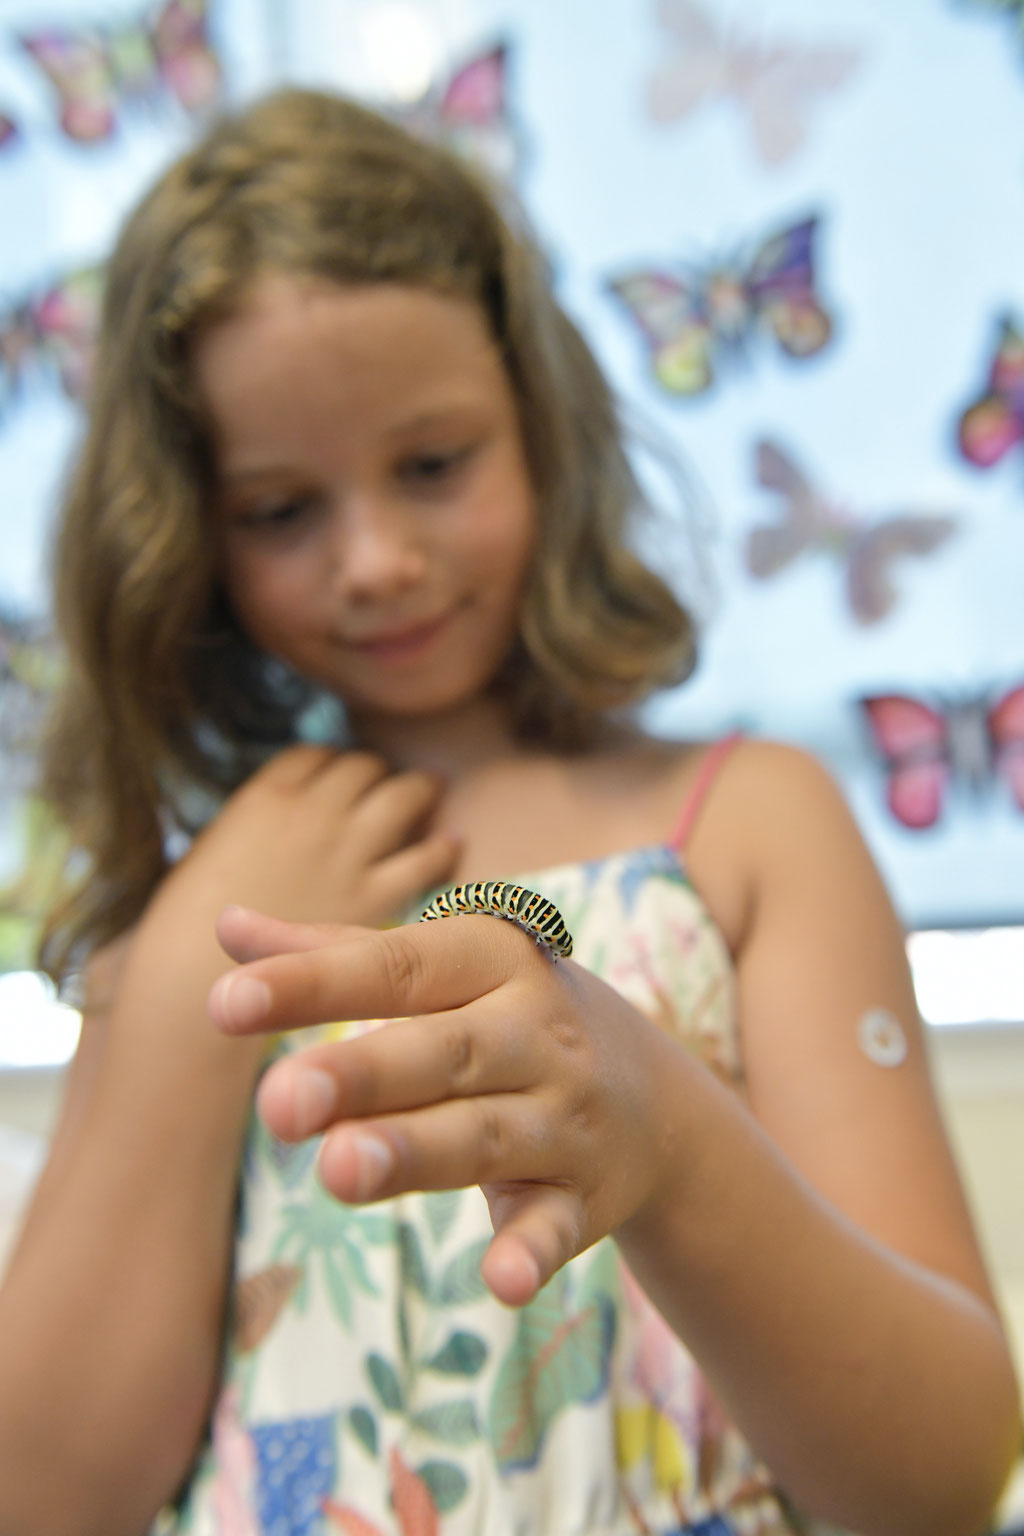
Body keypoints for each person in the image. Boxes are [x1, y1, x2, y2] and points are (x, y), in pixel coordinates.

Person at [0, 86, 1017, 1536]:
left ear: (541, 424)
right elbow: (43, 1499)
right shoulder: (209, 905)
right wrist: (173, 991)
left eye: (432, 465)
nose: (377, 561)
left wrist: (667, 1140)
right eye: (283, 509)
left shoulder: (749, 828)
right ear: (189, 537)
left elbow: (940, 1480)